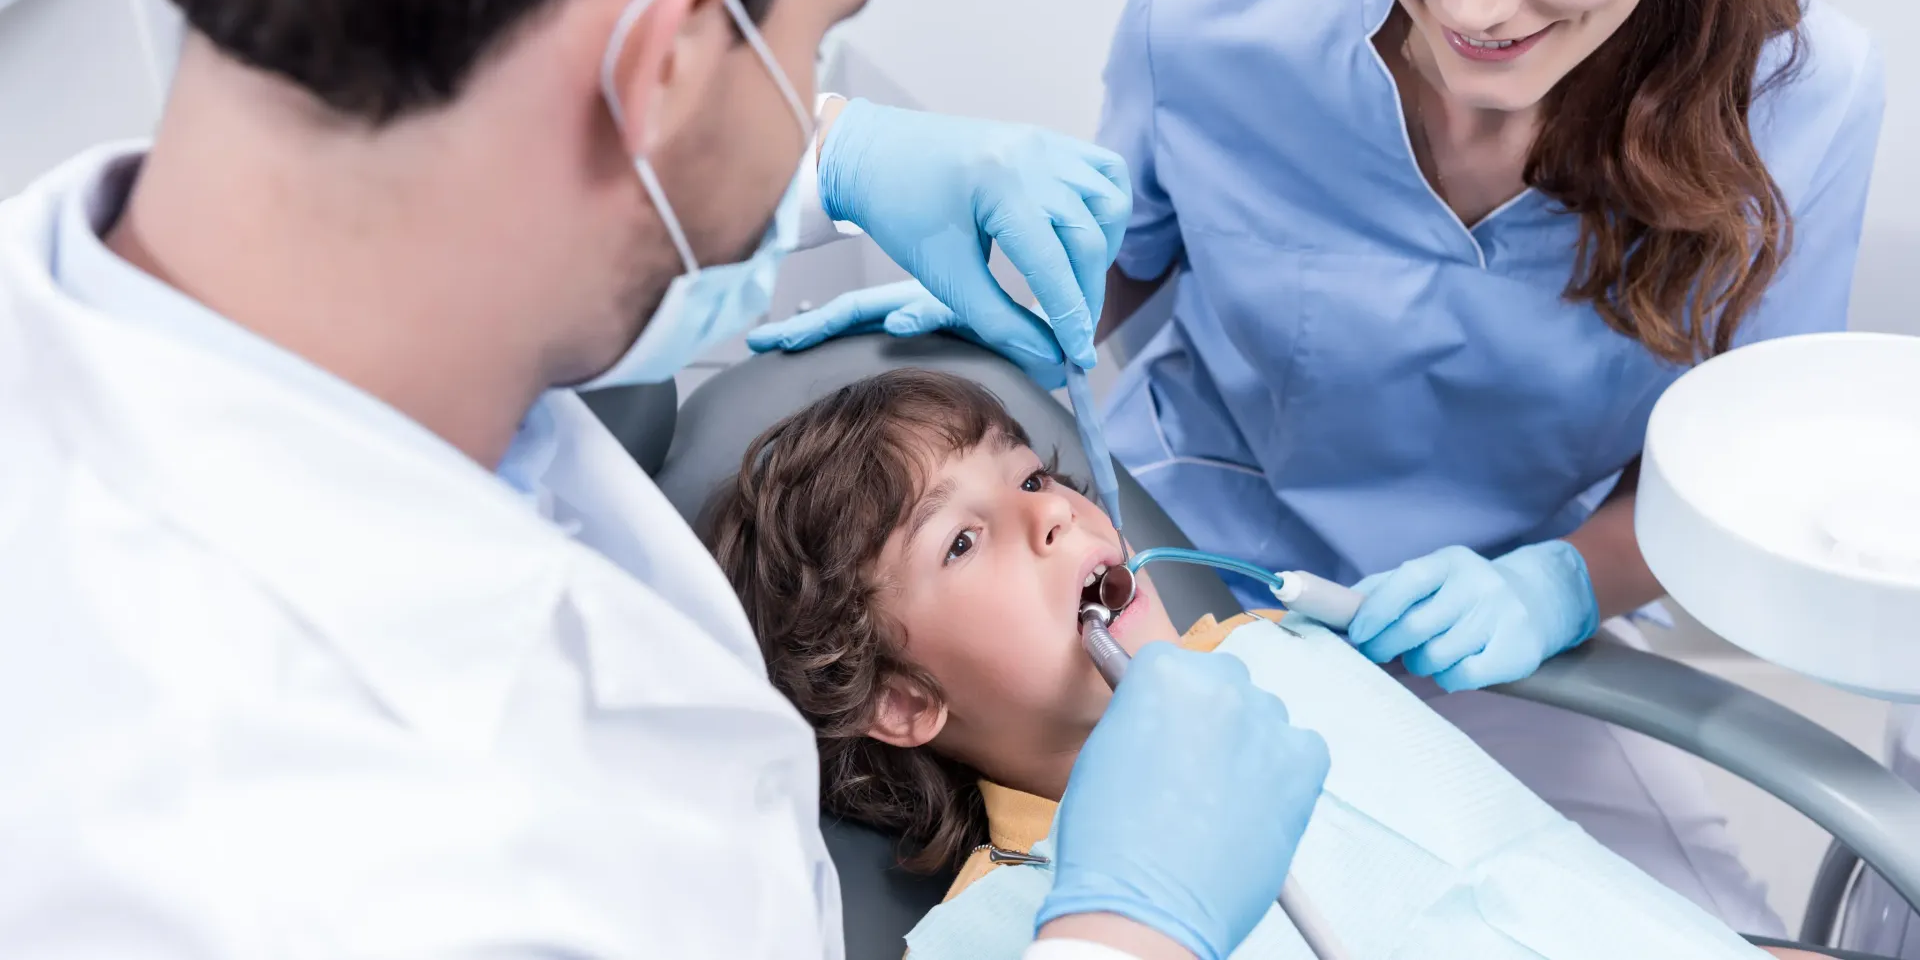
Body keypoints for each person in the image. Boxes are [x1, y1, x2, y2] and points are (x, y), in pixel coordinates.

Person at [0, 0, 1327, 957]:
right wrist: (1125, 932)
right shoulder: (279, 872)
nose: (809, 100)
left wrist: (828, 158)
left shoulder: (236, 240)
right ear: (670, 60)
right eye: (806, 56)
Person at [751, 0, 1886, 936]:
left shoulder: (1807, 100)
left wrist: (1556, 586)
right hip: (1198, 581)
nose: (1472, 4)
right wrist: (978, 301)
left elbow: (1732, 477)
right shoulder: (1211, 27)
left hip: (1503, 644)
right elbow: (1107, 275)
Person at [708, 367, 1829, 960]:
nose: (1049, 516)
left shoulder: (1285, 652)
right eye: (962, 539)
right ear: (903, 700)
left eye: (1034, 478)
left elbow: (1582, 896)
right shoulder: (1009, 935)